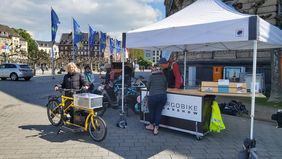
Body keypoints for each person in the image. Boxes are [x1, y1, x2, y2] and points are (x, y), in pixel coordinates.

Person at [145, 65, 167, 135]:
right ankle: (156, 128)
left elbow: (148, 87)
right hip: (163, 96)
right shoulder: (163, 76)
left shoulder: (151, 76)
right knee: (158, 112)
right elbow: (166, 86)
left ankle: (151, 125)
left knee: (152, 111)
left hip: (153, 96)